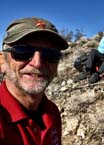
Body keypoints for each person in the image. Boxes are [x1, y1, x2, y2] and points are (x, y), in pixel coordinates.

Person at [0, 17, 68, 145]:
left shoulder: (52, 111)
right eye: (22, 52)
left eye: (50, 55)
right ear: (2, 62)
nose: (37, 63)